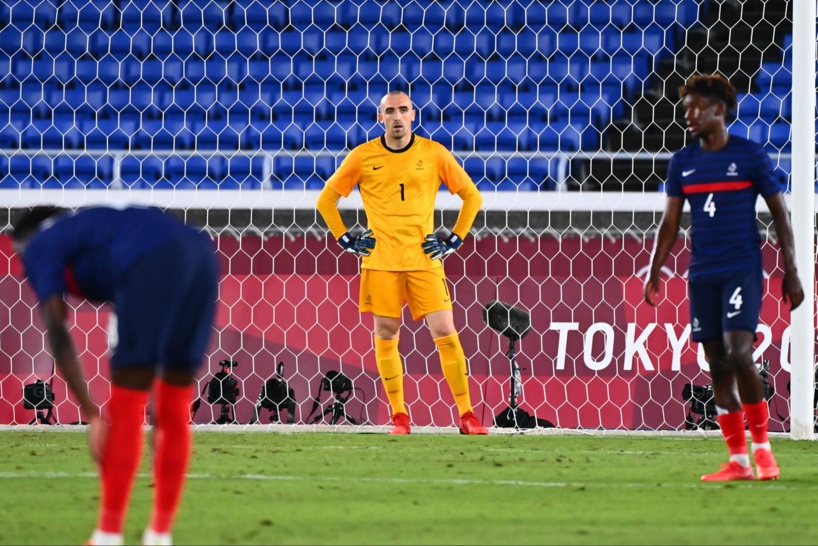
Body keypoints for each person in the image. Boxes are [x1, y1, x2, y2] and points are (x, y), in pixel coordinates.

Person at [12, 205, 219, 545]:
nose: (25, 266)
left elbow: (57, 331)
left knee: (126, 401)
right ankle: (160, 534)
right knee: (174, 402)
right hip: (201, 254)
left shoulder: (41, 243)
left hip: (150, 262)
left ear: (26, 240)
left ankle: (108, 534)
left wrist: (92, 414)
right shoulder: (89, 229)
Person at [644, 74, 804, 481]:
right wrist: (655, 269)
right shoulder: (683, 162)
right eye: (685, 110)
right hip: (702, 273)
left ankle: (765, 451)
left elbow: (780, 214)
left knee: (738, 353)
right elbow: (671, 222)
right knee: (715, 363)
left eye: (695, 108)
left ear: (718, 110)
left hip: (742, 268)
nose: (688, 116)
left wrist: (792, 269)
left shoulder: (750, 156)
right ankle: (739, 459)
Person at [316, 90, 488, 435]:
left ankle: (468, 415)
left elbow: (472, 196)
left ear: (413, 114)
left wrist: (454, 240)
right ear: (380, 118)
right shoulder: (363, 156)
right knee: (386, 334)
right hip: (381, 261)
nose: (397, 117)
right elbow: (326, 200)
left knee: (445, 332)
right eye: (390, 111)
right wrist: (345, 239)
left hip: (424, 260)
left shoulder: (434, 153)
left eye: (403, 110)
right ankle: (399, 416)